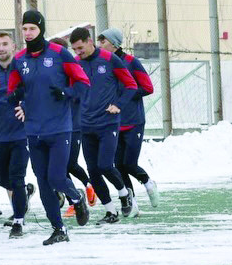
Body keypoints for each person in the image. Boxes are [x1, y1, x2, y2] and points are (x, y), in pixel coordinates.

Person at [7, 11, 90, 245]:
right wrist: (16, 98)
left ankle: (76, 197)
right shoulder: (19, 59)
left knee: (56, 177)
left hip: (59, 128)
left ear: (41, 29)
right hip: (33, 130)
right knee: (43, 182)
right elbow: (13, 90)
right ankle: (59, 229)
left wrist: (67, 92)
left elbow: (83, 83)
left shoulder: (59, 54)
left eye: (32, 28)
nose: (28, 33)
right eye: (24, 28)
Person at [69, 27, 138, 225]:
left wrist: (119, 104)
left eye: (80, 48)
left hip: (108, 123)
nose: (78, 52)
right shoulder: (76, 63)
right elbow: (72, 89)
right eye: (75, 49)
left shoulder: (109, 59)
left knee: (106, 165)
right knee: (93, 171)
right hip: (86, 125)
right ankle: (110, 211)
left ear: (89, 41)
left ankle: (124, 194)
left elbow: (131, 85)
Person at [98, 27, 160, 213]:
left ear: (115, 44)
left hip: (133, 121)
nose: (100, 45)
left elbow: (148, 88)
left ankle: (148, 182)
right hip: (113, 122)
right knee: (118, 166)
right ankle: (132, 204)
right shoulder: (103, 64)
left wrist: (124, 96)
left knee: (129, 163)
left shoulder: (132, 62)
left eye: (103, 41)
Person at [0, 32, 35, 238]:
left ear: (13, 46)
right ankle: (23, 194)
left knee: (17, 177)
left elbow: (36, 93)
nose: (1, 48)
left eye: (5, 44)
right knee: (2, 179)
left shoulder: (23, 69)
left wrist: (26, 106)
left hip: (21, 134)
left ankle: (18, 221)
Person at [50, 36, 96, 218]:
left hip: (73, 125)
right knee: (61, 166)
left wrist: (65, 93)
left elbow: (80, 92)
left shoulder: (72, 70)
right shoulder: (50, 73)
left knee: (68, 164)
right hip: (54, 127)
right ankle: (77, 195)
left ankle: (83, 190)